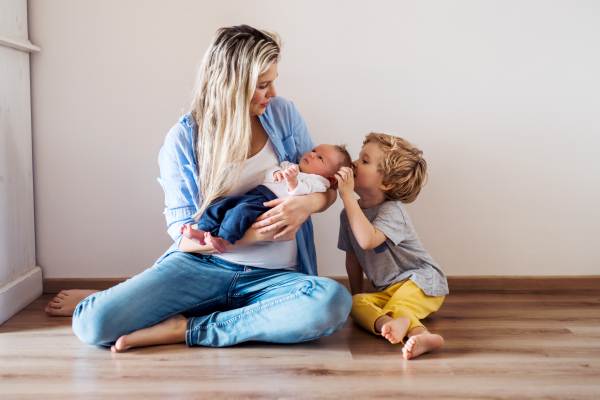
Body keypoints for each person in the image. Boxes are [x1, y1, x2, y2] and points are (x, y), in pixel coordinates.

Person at [44, 25, 352, 352]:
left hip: (274, 278)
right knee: (93, 323)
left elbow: (326, 185)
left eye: (273, 81)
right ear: (231, 85)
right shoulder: (183, 140)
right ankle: (134, 301)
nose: (273, 93)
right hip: (203, 268)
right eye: (263, 85)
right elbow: (184, 239)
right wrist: (254, 236)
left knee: (331, 301)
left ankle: (187, 328)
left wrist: (307, 206)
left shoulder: (283, 114)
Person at [335, 132, 448, 360]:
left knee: (401, 304)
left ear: (387, 183)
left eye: (364, 161)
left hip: (421, 280)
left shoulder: (392, 211)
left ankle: (420, 334)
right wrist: (358, 294)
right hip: (387, 291)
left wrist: (346, 196)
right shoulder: (348, 216)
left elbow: (367, 240)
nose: (354, 163)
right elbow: (353, 257)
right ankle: (388, 324)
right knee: (353, 303)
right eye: (359, 157)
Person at [181, 144, 352, 253]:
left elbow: (300, 192)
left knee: (241, 212)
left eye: (320, 158)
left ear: (330, 179)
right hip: (258, 193)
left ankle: (224, 240)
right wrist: (276, 172)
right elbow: (269, 173)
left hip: (268, 204)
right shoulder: (290, 166)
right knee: (221, 205)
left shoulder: (319, 183)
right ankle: (203, 231)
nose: (312, 154)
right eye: (314, 150)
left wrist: (292, 181)